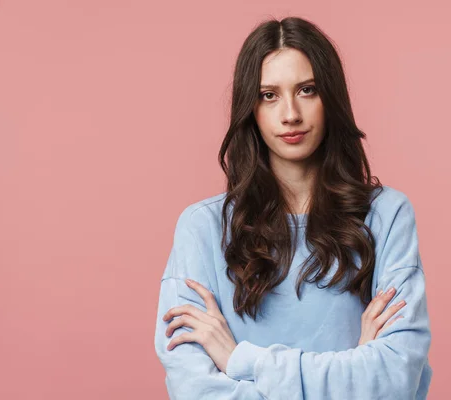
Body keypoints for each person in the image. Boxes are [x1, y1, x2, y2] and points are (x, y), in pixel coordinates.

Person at [154, 16, 432, 400]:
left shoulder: (386, 216)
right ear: (250, 108)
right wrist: (356, 365)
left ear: (330, 97)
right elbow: (194, 391)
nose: (290, 115)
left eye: (306, 90)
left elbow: (396, 379)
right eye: (269, 95)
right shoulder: (202, 229)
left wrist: (242, 360)